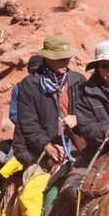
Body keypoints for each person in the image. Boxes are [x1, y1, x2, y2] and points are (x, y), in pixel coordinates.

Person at [13, 35, 79, 167]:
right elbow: (29, 124)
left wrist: (78, 118)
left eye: (67, 58)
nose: (65, 62)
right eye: (60, 58)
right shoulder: (29, 86)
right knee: (37, 184)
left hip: (78, 147)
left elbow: (90, 112)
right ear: (47, 58)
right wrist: (46, 146)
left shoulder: (78, 80)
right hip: (41, 150)